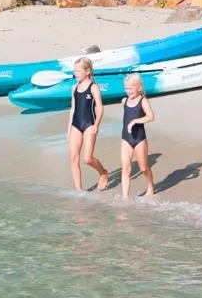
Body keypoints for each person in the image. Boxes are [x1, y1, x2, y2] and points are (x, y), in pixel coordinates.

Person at [67, 57, 110, 192]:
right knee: (74, 158)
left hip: (90, 124)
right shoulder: (74, 87)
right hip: (76, 125)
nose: (75, 73)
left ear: (88, 71)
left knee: (87, 159)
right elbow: (73, 109)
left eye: (78, 71)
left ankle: (103, 172)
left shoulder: (93, 87)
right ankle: (79, 191)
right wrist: (69, 128)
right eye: (74, 70)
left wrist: (96, 125)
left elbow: (100, 108)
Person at [118, 74, 157, 199]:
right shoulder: (124, 101)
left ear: (139, 88)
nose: (128, 91)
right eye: (126, 88)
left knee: (144, 167)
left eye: (130, 88)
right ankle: (125, 197)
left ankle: (150, 187)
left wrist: (135, 121)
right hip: (126, 138)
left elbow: (151, 117)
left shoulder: (143, 101)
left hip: (139, 139)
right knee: (125, 168)